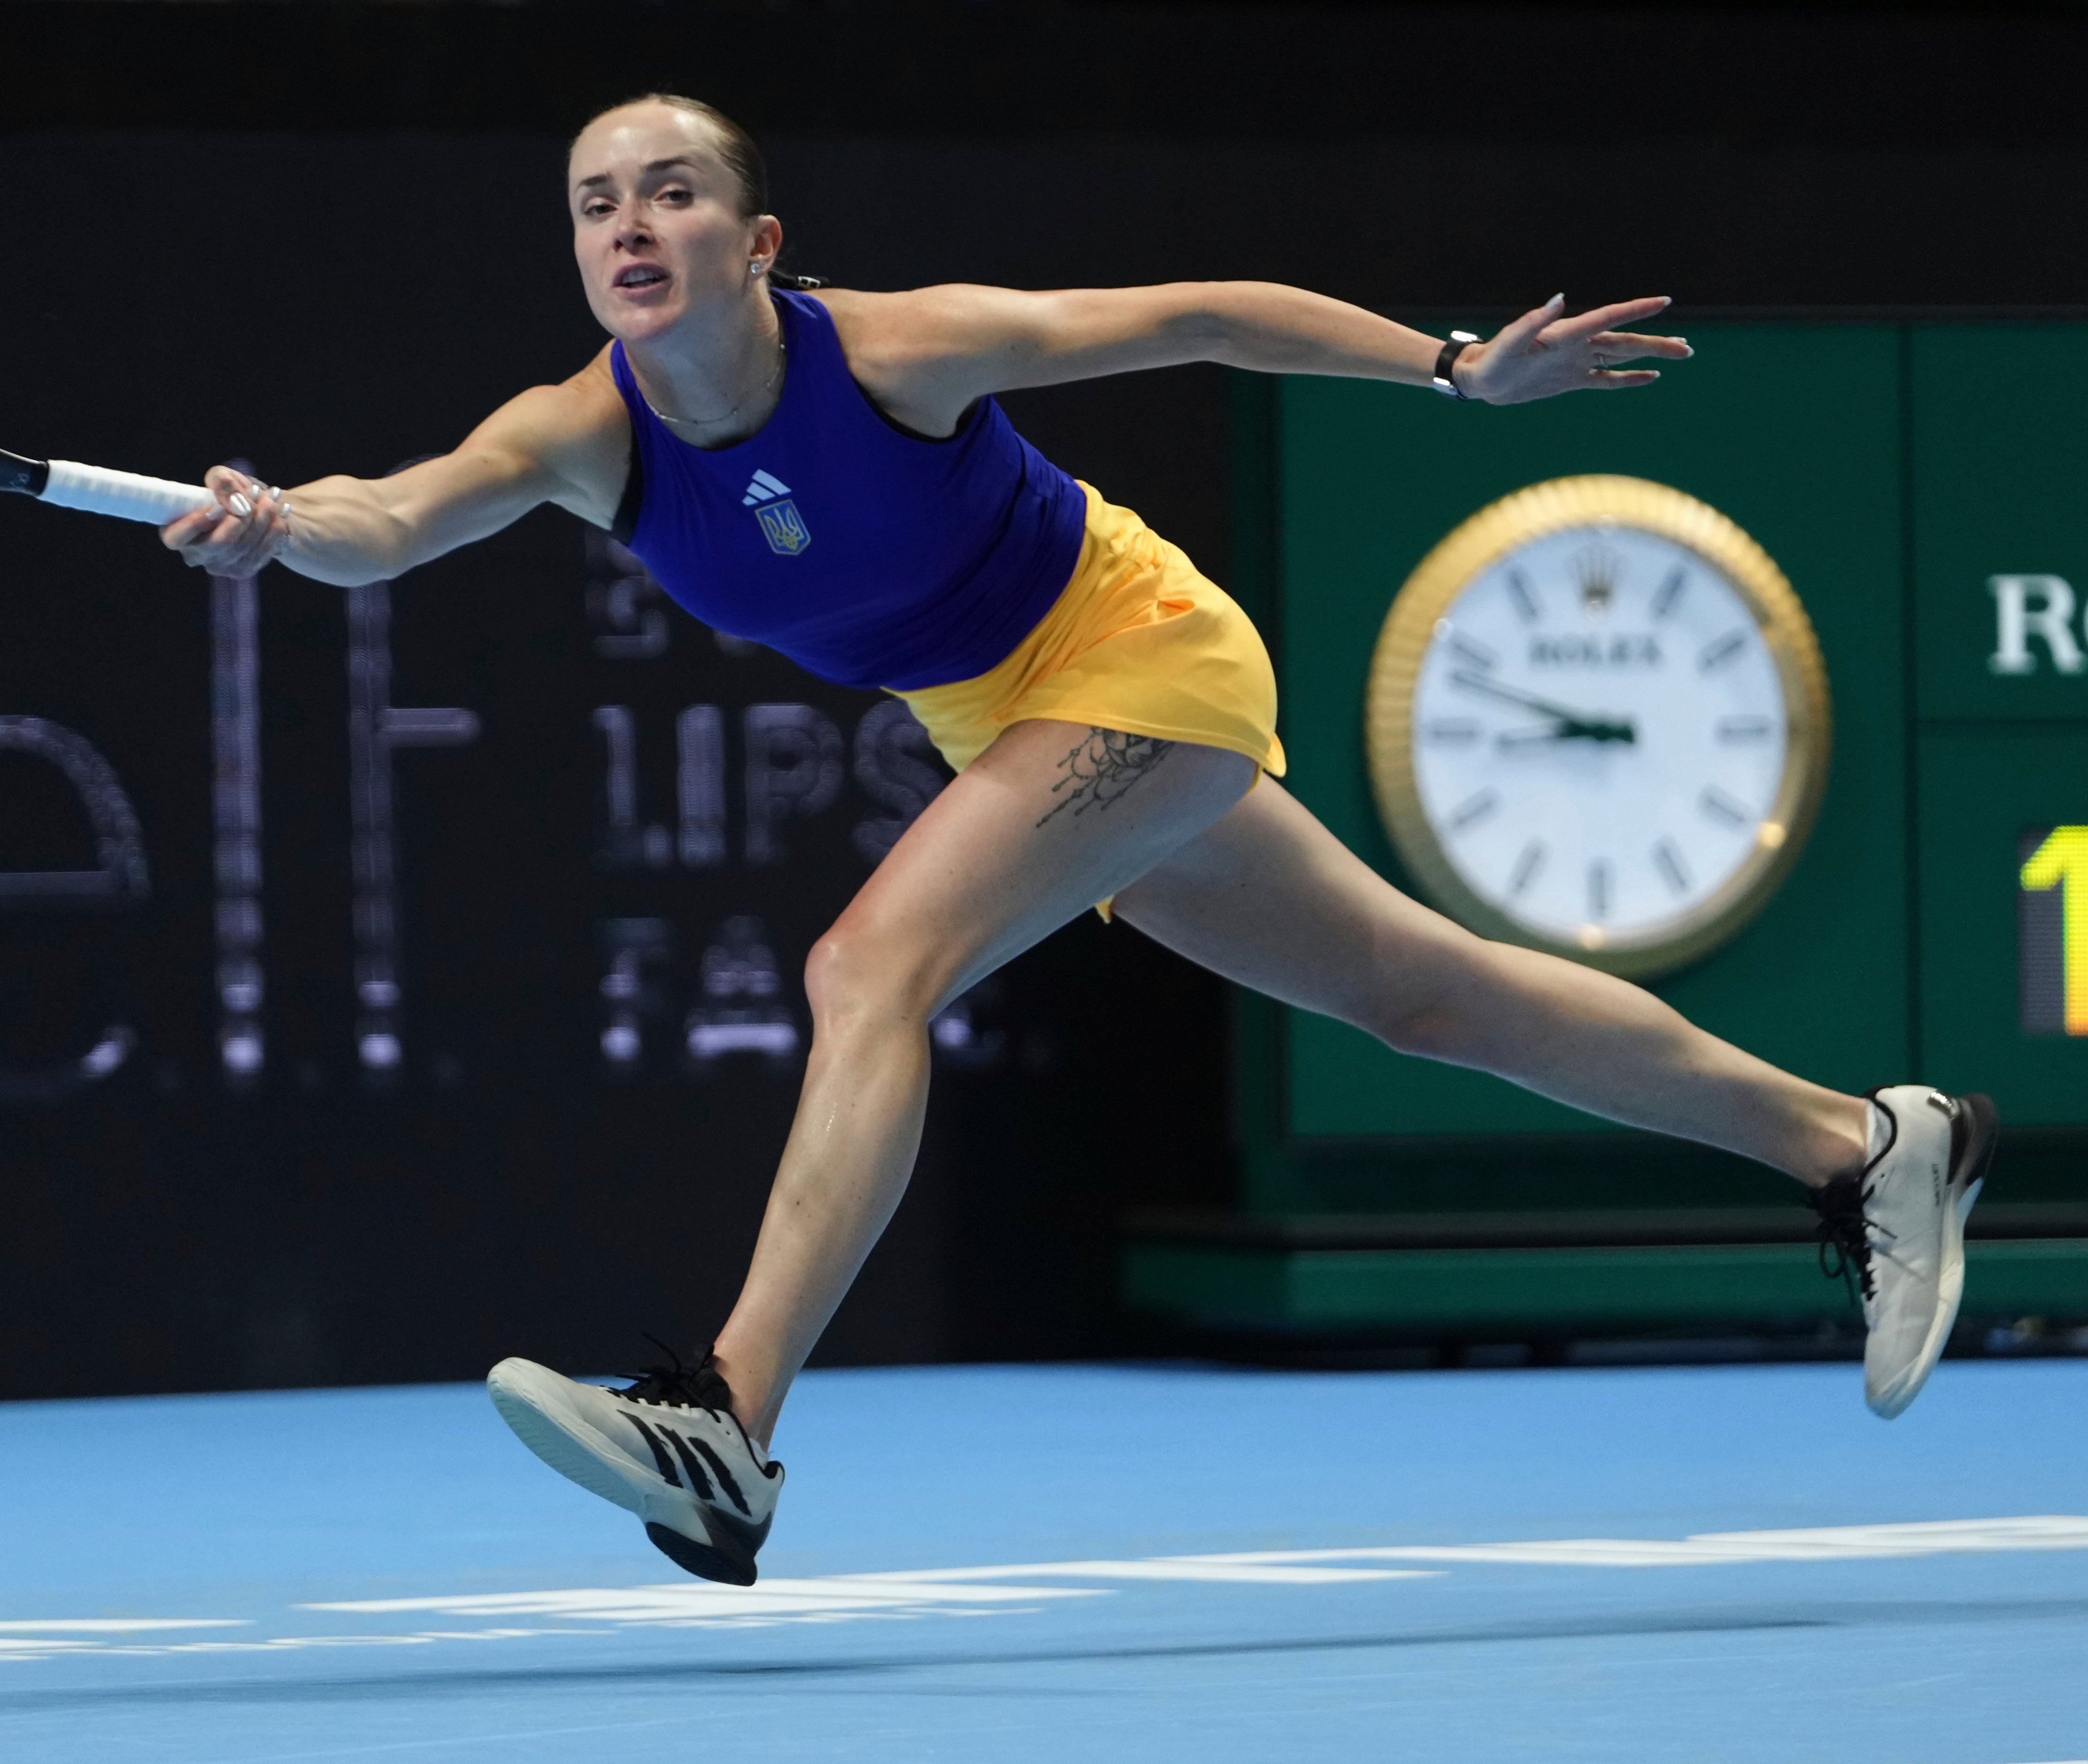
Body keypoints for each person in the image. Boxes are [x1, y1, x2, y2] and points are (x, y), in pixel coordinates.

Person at [163, 94, 1997, 1587]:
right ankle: (1862, 1142)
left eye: (673, 191)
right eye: (593, 202)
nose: (628, 224)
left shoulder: (892, 354)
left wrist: (1448, 370)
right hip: (1011, 720)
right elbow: (384, 518)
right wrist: (262, 517)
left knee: (864, 964)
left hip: (1137, 655)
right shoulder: (580, 433)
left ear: (757, 241)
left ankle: (720, 1420)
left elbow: (1190, 314)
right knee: (1413, 997)